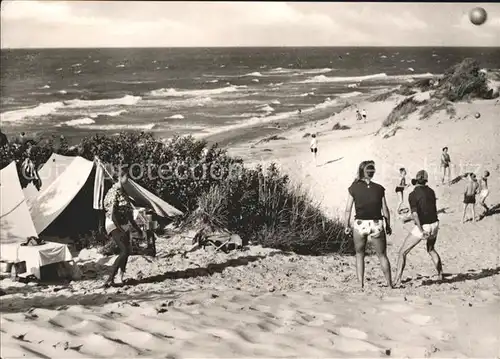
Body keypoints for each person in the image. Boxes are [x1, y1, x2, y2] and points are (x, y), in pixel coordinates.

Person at [344, 160, 393, 289]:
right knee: (382, 255)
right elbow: (385, 209)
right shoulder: (379, 188)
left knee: (359, 254)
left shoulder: (353, 188)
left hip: (360, 223)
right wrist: (388, 225)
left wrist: (346, 225)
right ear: (372, 173)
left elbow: (348, 209)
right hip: (377, 223)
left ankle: (360, 284)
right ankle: (389, 284)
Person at [394, 170, 442, 287]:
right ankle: (440, 275)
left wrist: (420, 230)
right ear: (425, 181)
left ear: (416, 182)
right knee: (431, 249)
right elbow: (427, 210)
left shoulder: (412, 195)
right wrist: (408, 218)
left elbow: (416, 214)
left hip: (423, 226)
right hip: (435, 224)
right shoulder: (431, 191)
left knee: (402, 252)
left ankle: (397, 279)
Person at [103, 169, 143, 287]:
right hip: (113, 223)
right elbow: (112, 212)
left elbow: (128, 213)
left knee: (126, 251)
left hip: (124, 224)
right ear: (120, 177)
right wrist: (119, 228)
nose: (128, 179)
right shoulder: (113, 191)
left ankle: (120, 277)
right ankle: (110, 278)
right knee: (124, 250)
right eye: (126, 177)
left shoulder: (123, 192)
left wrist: (136, 228)